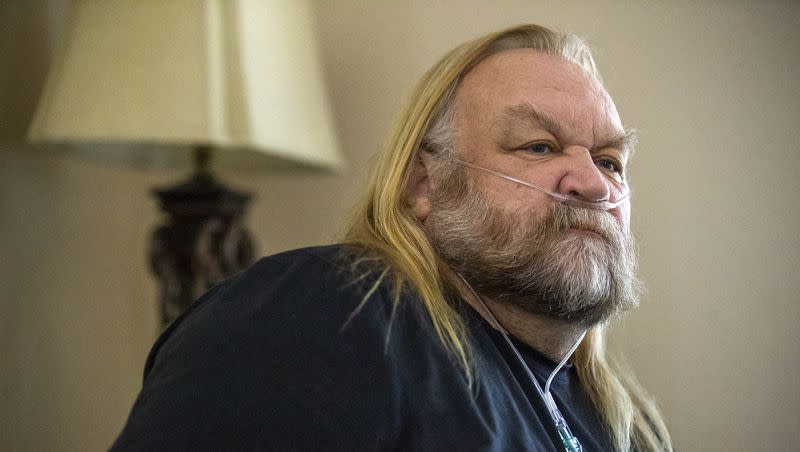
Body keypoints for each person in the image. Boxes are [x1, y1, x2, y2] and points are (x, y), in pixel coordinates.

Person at [110, 24, 672, 451]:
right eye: (539, 146)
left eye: (610, 161)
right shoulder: (330, 315)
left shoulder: (626, 421)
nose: (594, 185)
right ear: (424, 184)